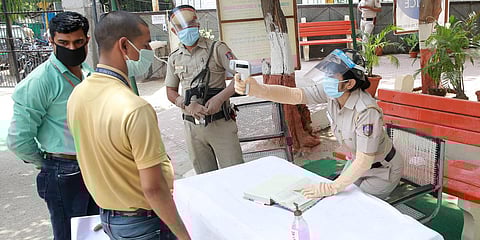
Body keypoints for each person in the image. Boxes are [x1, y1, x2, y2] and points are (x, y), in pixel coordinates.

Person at [67, 11, 191, 240]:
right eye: (144, 45)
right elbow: (153, 188)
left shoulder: (78, 94)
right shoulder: (135, 109)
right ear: (124, 46)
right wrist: (184, 235)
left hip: (110, 217)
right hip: (143, 223)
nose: (148, 53)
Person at [234, 49, 403, 200]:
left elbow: (364, 161)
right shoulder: (334, 93)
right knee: (335, 200)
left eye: (332, 76)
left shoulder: (366, 111)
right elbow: (294, 95)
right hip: (355, 163)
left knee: (354, 206)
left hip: (381, 171)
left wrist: (331, 187)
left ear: (349, 83)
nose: (327, 79)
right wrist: (258, 90)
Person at [7, 12, 98, 240]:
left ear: (87, 40)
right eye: (63, 43)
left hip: (95, 166)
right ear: (51, 41)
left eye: (78, 42)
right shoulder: (40, 82)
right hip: (63, 172)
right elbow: (19, 140)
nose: (72, 48)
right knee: (69, 235)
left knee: (97, 231)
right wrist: (48, 163)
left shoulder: (88, 73)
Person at [165, 5, 243, 174]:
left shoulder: (217, 48)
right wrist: (185, 105)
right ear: (173, 30)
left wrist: (220, 98)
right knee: (205, 179)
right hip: (192, 128)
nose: (187, 28)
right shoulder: (174, 58)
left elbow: (241, 76)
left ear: (198, 24)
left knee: (236, 175)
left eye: (191, 23)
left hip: (220, 123)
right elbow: (170, 91)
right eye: (181, 26)